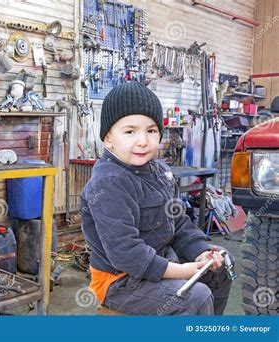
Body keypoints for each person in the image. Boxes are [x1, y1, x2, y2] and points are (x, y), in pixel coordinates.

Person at [80, 82, 233, 315]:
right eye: (130, 131)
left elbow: (179, 223)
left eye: (151, 131)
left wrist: (200, 251)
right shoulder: (109, 183)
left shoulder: (159, 172)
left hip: (162, 261)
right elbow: (126, 254)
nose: (142, 140)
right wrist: (184, 271)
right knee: (197, 298)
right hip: (119, 282)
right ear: (108, 138)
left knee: (220, 268)